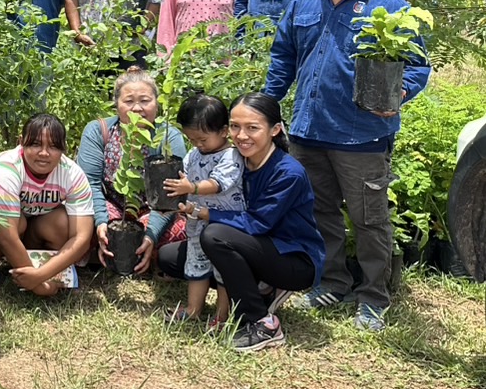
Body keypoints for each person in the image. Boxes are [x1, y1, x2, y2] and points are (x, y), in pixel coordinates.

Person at [264, 0, 431, 331]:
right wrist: (265, 106)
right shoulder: (304, 3)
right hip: (307, 131)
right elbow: (283, 59)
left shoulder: (390, 8)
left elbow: (417, 68)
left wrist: (398, 96)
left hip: (361, 135)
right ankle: (332, 281)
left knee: (369, 219)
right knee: (319, 214)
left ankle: (374, 296)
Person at [161, 94, 324, 353]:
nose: (241, 135)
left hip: (292, 257)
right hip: (255, 246)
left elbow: (257, 223)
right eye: (236, 126)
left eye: (252, 128)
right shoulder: (239, 160)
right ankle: (261, 288)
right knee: (170, 257)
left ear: (275, 129)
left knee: (214, 237)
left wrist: (203, 214)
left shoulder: (287, 172)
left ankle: (263, 323)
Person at [0, 114, 94, 297]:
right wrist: (40, 287)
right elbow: (7, 235)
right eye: (35, 144)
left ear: (64, 148)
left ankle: (50, 270)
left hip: (33, 224)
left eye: (53, 146)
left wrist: (41, 275)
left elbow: (81, 238)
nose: (44, 153)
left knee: (62, 221)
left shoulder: (73, 174)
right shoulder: (5, 169)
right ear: (21, 142)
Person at [76, 70, 188, 272]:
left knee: (183, 231)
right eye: (129, 101)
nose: (137, 108)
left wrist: (151, 234)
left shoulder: (169, 137)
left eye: (145, 100)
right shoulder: (97, 131)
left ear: (157, 102)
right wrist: (101, 222)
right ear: (116, 104)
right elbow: (89, 183)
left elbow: (168, 197)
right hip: (111, 205)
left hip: (153, 210)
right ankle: (104, 248)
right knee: (79, 223)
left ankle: (145, 251)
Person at [158, 94, 244, 325]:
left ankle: (221, 315)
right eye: (192, 139)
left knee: (223, 271)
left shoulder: (232, 156)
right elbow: (183, 181)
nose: (197, 144)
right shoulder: (193, 155)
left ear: (224, 131)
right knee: (195, 265)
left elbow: (216, 184)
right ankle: (193, 309)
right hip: (196, 224)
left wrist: (192, 186)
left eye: (202, 139)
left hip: (223, 227)